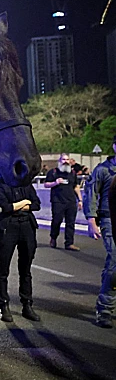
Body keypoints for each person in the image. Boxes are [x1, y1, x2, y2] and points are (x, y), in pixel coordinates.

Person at [0, 182, 42, 323]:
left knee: (26, 270)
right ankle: (3, 306)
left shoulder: (26, 185)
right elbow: (5, 207)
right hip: (9, 227)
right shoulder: (2, 186)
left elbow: (36, 204)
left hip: (27, 226)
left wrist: (17, 206)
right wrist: (25, 202)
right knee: (3, 270)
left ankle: (27, 305)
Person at [83, 138, 116, 329]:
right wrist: (91, 220)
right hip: (109, 219)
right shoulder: (103, 170)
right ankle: (105, 309)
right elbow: (92, 194)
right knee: (114, 262)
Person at [45, 153, 83, 251]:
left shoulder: (72, 173)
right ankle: (53, 237)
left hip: (71, 201)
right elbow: (46, 184)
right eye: (63, 160)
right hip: (58, 201)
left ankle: (69, 243)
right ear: (59, 161)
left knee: (70, 223)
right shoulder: (53, 172)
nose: (65, 162)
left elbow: (76, 186)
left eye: (67, 160)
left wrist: (80, 200)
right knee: (57, 221)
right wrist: (55, 182)